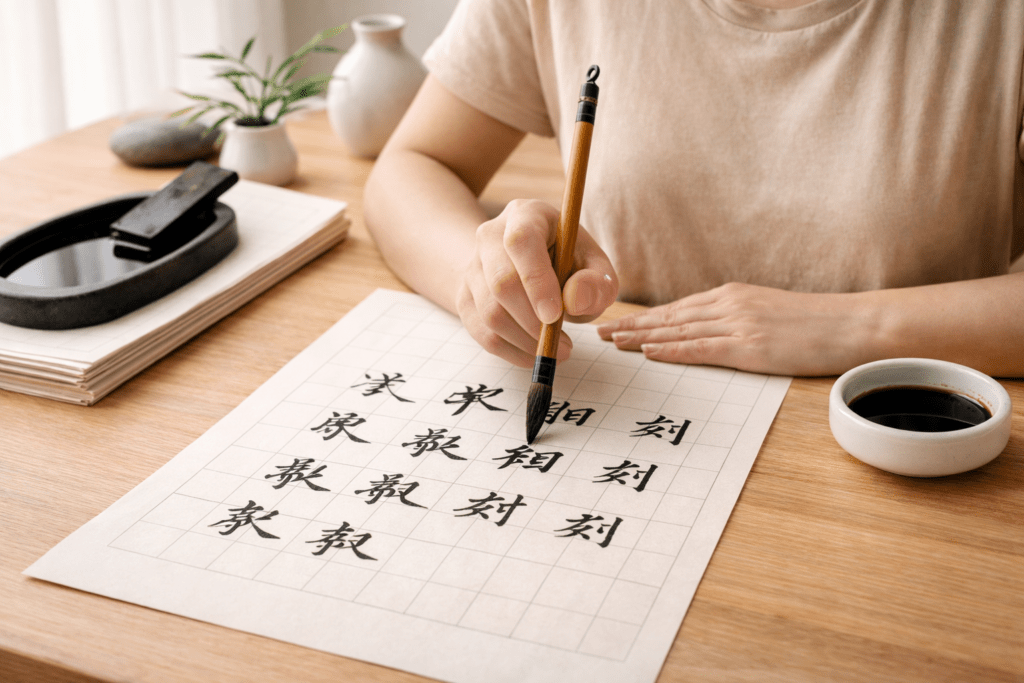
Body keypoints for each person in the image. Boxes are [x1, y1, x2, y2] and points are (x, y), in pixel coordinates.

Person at [364, 0, 1024, 377]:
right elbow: (412, 166)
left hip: (911, 432)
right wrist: (483, 273)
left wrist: (851, 327)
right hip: (633, 397)